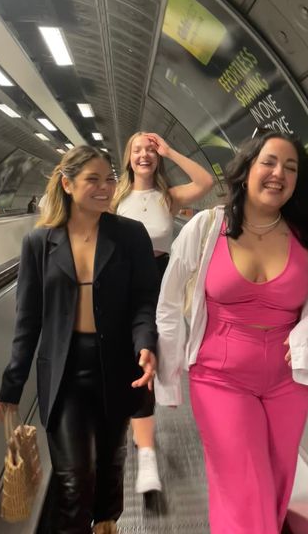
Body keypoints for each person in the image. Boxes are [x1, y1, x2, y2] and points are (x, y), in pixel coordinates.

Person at [155, 129, 308, 534]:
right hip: (220, 376)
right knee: (243, 485)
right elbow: (168, 303)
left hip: (288, 381)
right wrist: (167, 371)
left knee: (274, 483)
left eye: (290, 168)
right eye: (269, 162)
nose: (279, 174)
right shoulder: (206, 228)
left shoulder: (307, 239)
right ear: (247, 169)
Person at [0, 145, 159, 534]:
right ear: (67, 184)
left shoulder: (131, 235)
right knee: (73, 479)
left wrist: (145, 344)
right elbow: (28, 319)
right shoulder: (40, 243)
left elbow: (143, 302)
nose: (104, 187)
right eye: (93, 180)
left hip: (117, 366)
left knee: (109, 467)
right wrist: (12, 384)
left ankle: (105, 525)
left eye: (109, 179)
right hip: (65, 373)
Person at [112, 131, 214, 494]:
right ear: (128, 157)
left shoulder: (167, 198)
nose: (144, 155)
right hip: (118, 287)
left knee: (146, 361)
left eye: (150, 150)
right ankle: (127, 438)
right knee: (123, 363)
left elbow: (206, 182)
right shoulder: (115, 198)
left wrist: (171, 150)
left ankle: (147, 455)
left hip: (156, 286)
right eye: (137, 149)